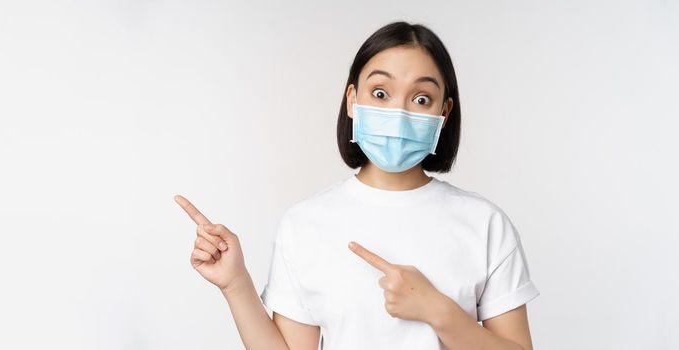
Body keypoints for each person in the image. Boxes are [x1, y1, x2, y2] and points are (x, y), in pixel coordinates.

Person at [175, 21, 539, 350]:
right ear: (353, 101)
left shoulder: (484, 224)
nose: (399, 113)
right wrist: (236, 284)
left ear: (443, 113)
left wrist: (439, 310)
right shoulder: (305, 223)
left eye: (421, 98)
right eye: (381, 93)